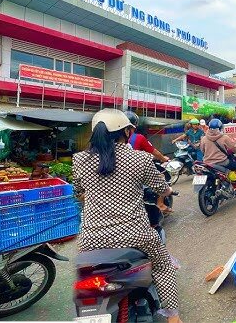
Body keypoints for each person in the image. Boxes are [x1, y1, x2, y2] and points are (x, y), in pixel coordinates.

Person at [73, 109, 181, 323]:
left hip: (91, 239)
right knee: (163, 266)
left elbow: (78, 191)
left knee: (84, 279)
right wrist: (167, 191)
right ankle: (173, 318)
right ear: (127, 132)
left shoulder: (80, 159)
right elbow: (160, 187)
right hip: (135, 234)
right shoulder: (139, 158)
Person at [126, 111, 172, 213]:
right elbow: (154, 152)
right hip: (136, 172)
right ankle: (160, 203)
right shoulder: (139, 138)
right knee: (161, 178)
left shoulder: (112, 140)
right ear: (134, 126)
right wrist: (163, 158)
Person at [199, 118, 236, 194]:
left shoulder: (204, 138)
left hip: (207, 163)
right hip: (222, 162)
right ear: (220, 128)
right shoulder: (224, 137)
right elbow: (234, 148)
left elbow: (202, 150)